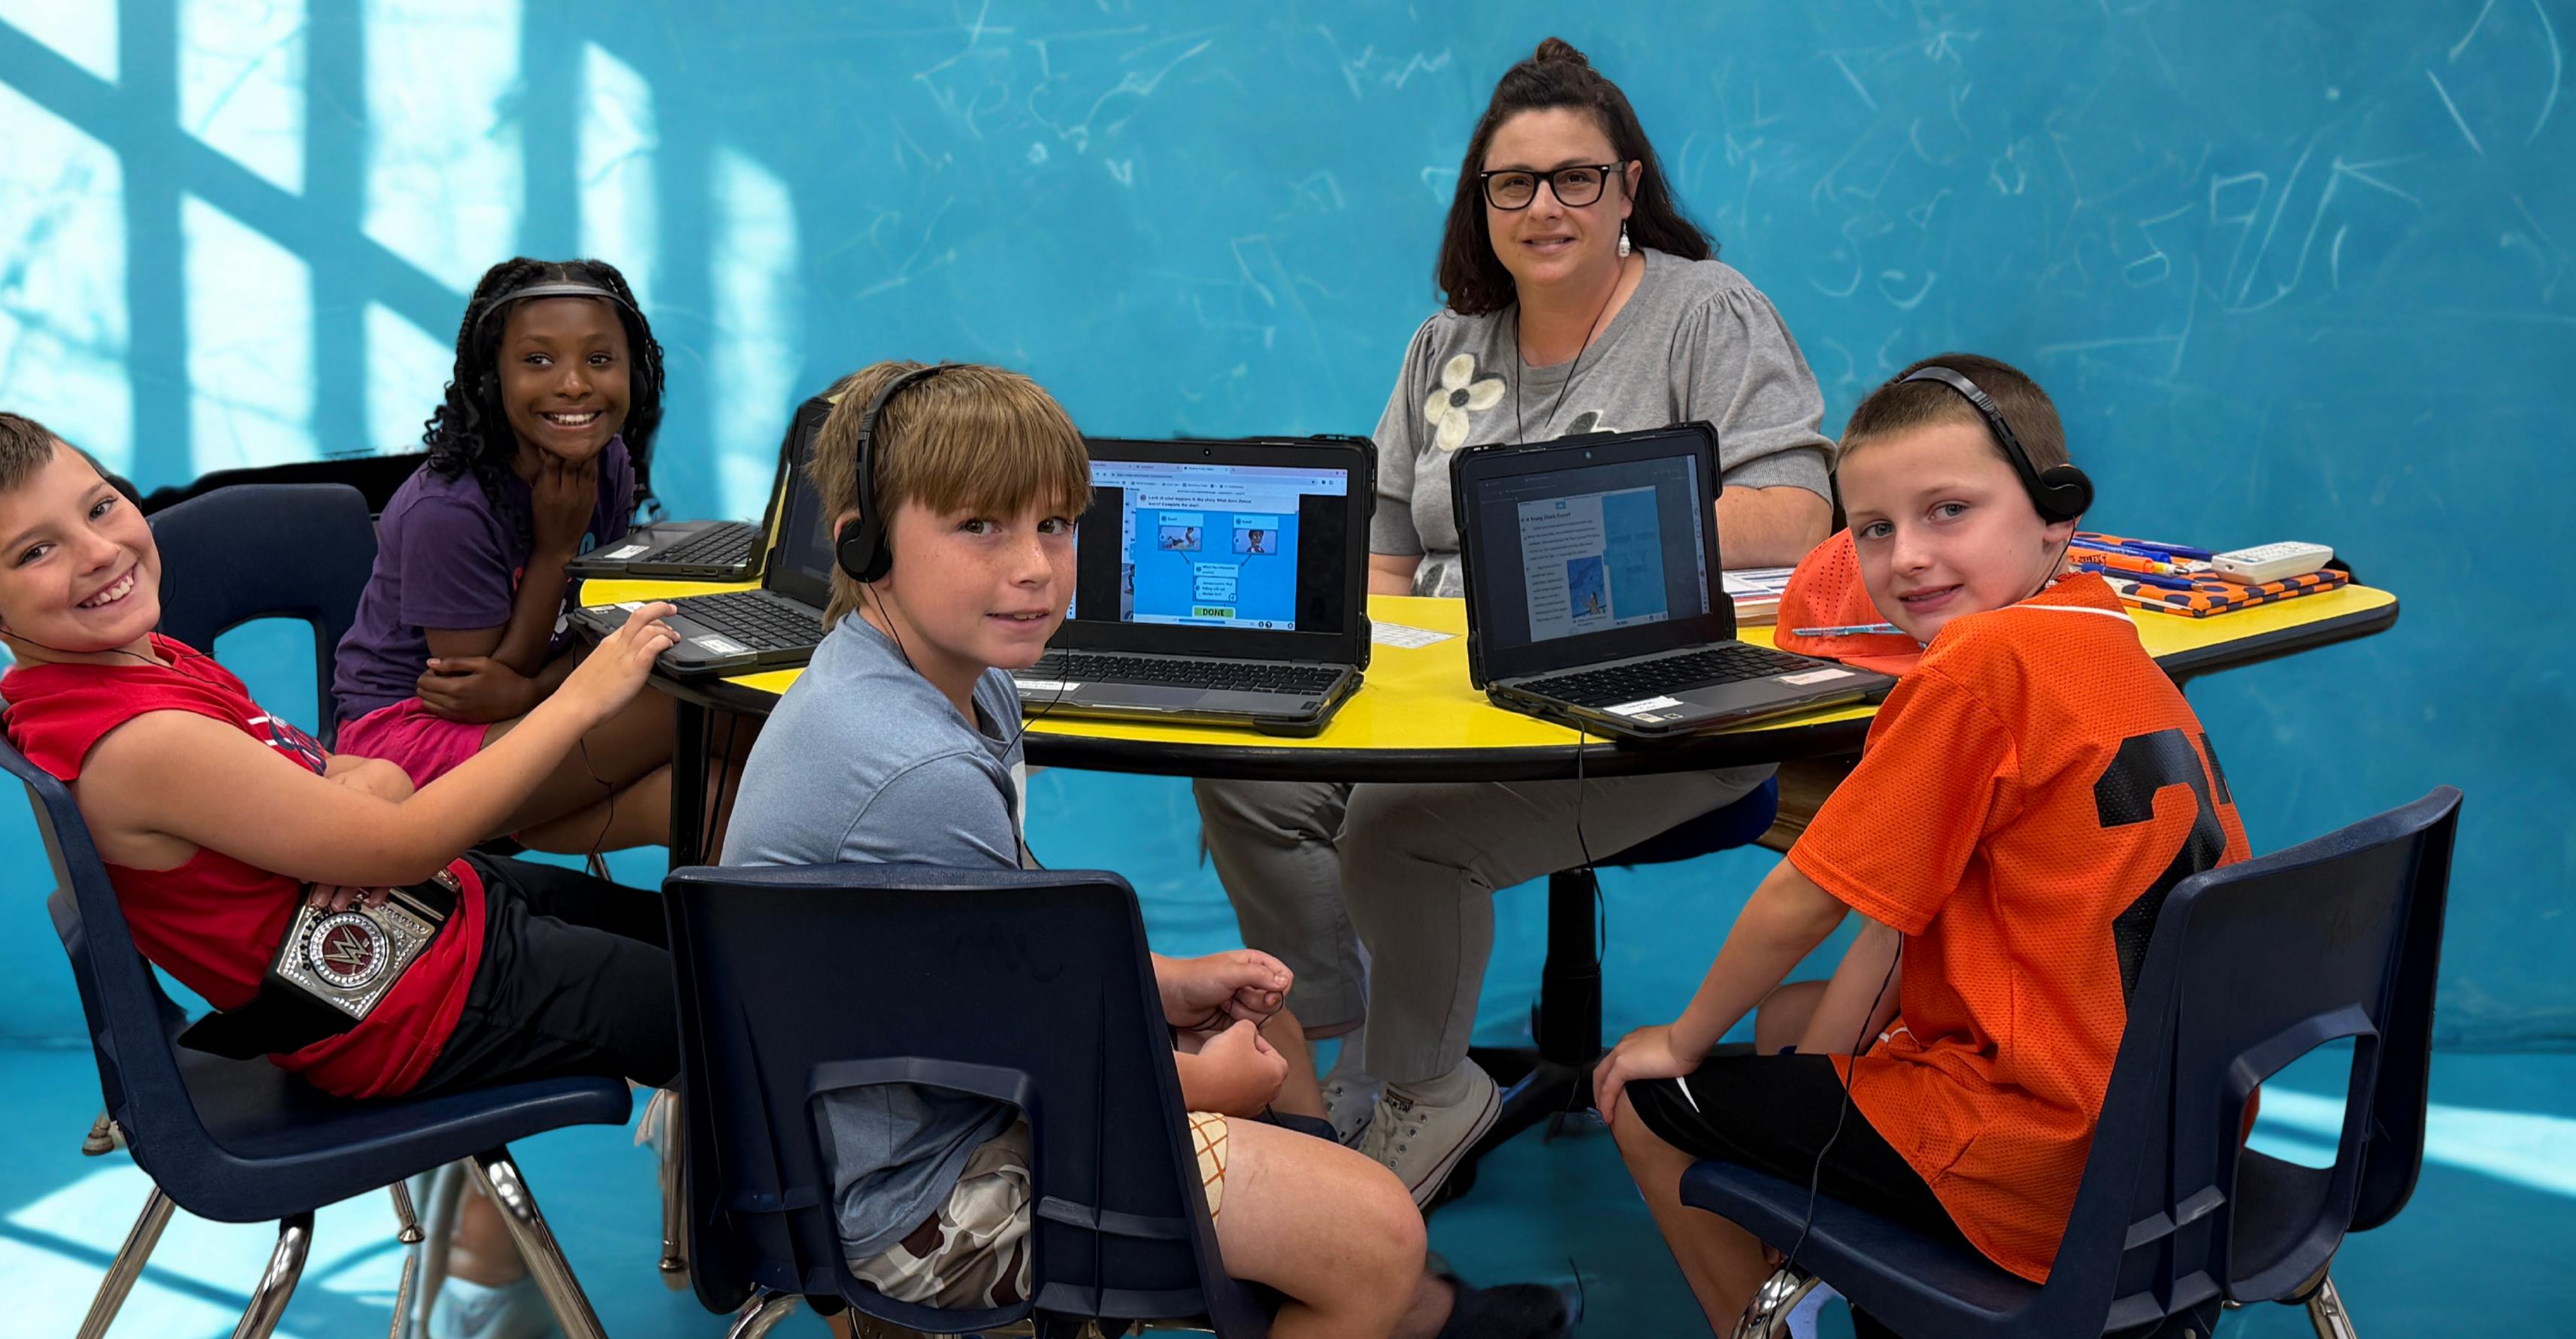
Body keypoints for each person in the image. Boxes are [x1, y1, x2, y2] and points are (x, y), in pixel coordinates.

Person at [720, 362, 1572, 1339]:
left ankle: (1345, 1280)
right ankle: (1376, 1285)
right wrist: (1201, 1086)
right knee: (1379, 1227)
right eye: (977, 527)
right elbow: (1016, 1050)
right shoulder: (914, 770)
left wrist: (1162, 987)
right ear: (862, 542)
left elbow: (997, 949)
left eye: (1052, 524)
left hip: (905, 1110)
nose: (1035, 566)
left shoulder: (935, 677)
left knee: (1279, 1033)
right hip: (918, 1199)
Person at [1194, 35, 1836, 1202]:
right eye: (1512, 182)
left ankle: (1430, 1086)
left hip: (1648, 710)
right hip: (1443, 701)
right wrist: (1370, 695)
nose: (1543, 206)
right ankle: (1337, 1060)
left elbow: (1797, 519)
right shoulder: (1444, 342)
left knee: (1394, 830)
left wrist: (1586, 523)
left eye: (1574, 176)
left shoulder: (1708, 313)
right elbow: (1384, 543)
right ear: (1479, 200)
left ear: (1627, 187)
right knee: (1247, 771)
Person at [0, 409, 689, 1338]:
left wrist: (366, 816)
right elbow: (393, 841)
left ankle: (722, 1135)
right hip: (417, 1006)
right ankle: (831, 1242)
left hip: (431, 929)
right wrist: (583, 699)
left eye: (101, 505)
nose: (100, 552)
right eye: (36, 551)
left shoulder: (138, 663)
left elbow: (353, 784)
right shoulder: (143, 741)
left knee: (712, 943)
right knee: (736, 1017)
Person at [1592, 355, 2252, 1337]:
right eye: (1871, 528)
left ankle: (1768, 1320)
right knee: (1793, 1018)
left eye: (1948, 511)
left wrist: (1679, 1041)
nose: (1904, 556)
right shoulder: (2101, 629)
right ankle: (1836, 1275)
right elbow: (1895, 926)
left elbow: (1802, 898)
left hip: (2047, 1152)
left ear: (2054, 513)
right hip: (2176, 1143)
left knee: (1640, 1098)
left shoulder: (1978, 667)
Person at [331, 256, 711, 854]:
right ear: (491, 378)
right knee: (701, 706)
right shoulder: (448, 511)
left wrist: (536, 693)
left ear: (634, 373)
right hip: (407, 749)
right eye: (538, 360)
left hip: (538, 714)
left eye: (600, 359)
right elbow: (482, 690)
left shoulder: (606, 462)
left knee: (723, 792)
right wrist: (556, 546)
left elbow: (588, 631)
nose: (574, 384)